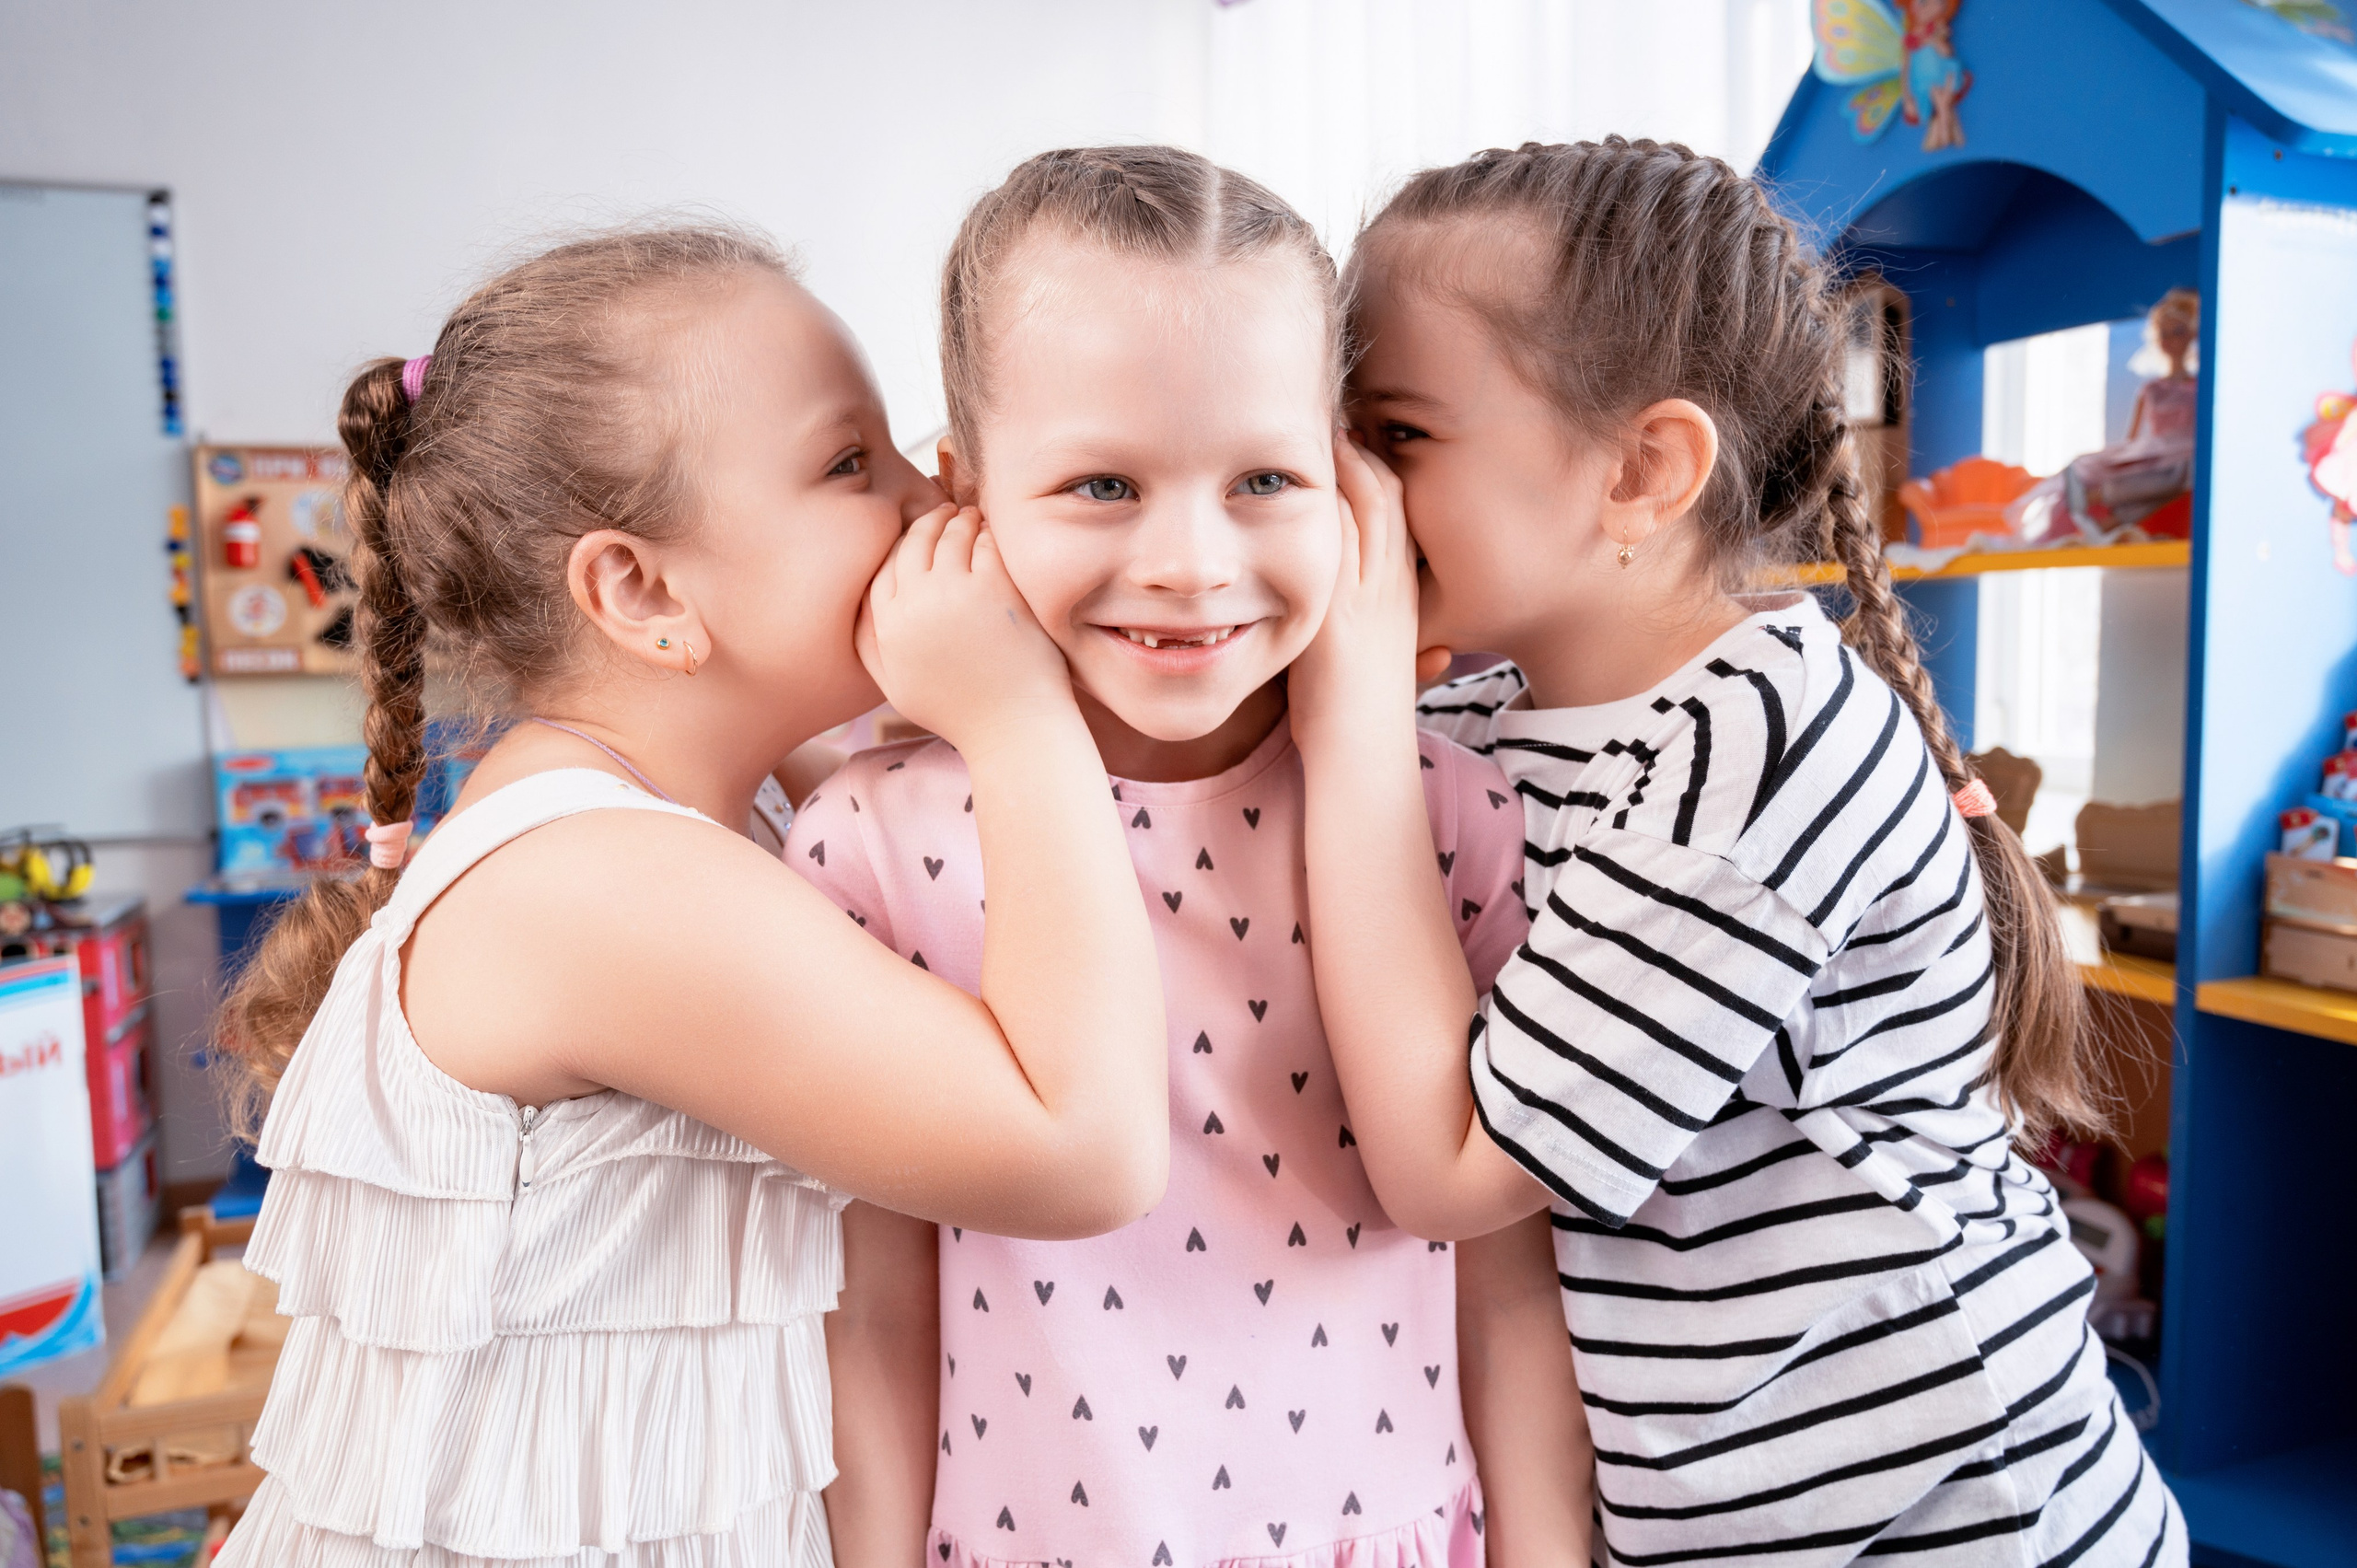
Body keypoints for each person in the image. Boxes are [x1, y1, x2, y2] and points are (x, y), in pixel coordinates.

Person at [208, 226, 1173, 1567]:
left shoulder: (717, 807)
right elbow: (1088, 1149)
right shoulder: (602, 886)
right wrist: (1018, 724)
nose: (933, 497)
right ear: (643, 592)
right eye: (850, 463)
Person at [1293, 138, 2187, 1564]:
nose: (1340, 490)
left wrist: (1343, 714)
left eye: (1395, 436)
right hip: (1725, 1507)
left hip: (1955, 1516)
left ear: (1644, 470)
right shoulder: (1482, 711)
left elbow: (1454, 1169)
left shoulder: (1759, 747)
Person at [796, 147, 1590, 1568]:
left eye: (1266, 478)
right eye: (1103, 483)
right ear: (963, 487)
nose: (1188, 559)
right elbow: (875, 1303)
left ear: (1355, 485)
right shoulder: (876, 845)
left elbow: (1511, 1287)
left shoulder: (1457, 816)